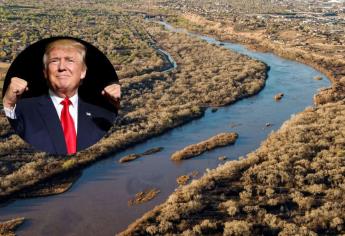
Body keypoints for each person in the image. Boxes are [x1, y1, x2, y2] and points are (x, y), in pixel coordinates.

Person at [2, 39, 121, 155]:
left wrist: (119, 107)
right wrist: (8, 103)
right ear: (45, 72)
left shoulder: (103, 116)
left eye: (70, 60)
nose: (61, 67)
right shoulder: (22, 111)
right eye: (54, 61)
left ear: (83, 72)